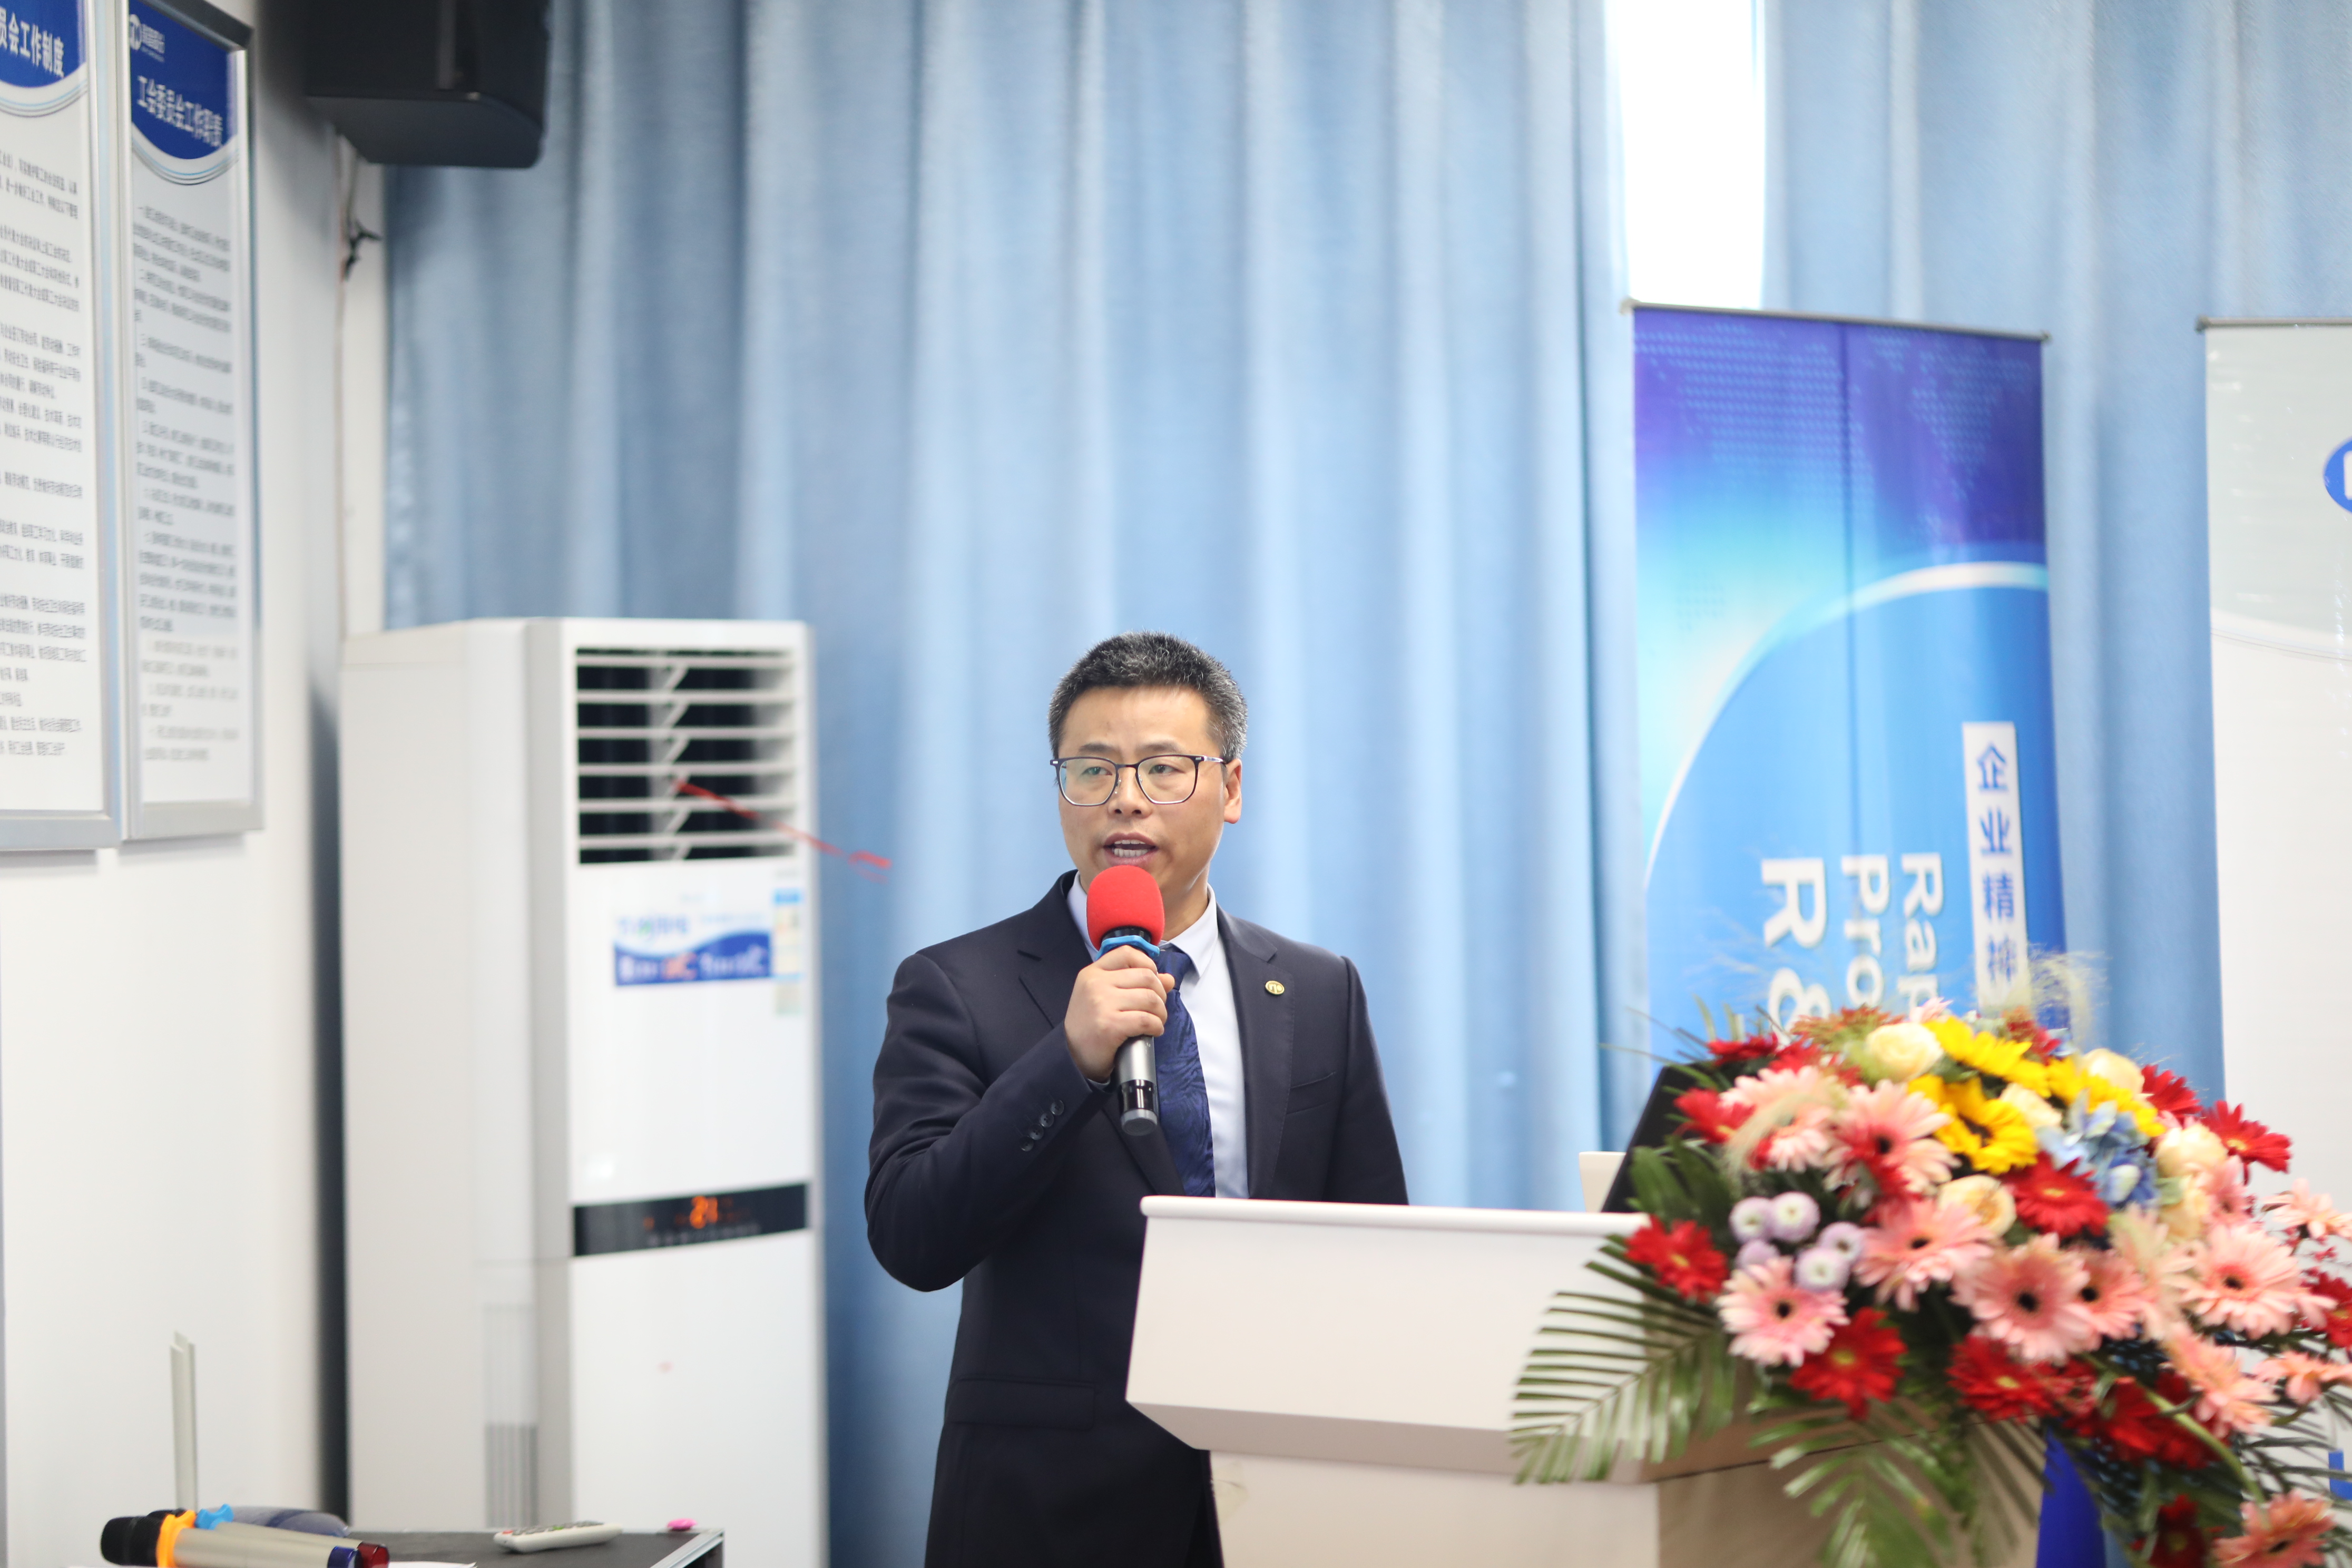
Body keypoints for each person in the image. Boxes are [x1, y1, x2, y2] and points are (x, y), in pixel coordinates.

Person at [867, 631, 1409, 1568]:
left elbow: (1373, 1246)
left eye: (1164, 768)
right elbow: (913, 1237)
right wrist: (1067, 1060)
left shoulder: (1320, 988)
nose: (1125, 798)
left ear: (1230, 788)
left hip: (1284, 1492)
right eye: (1093, 770)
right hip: (1051, 1509)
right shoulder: (958, 984)